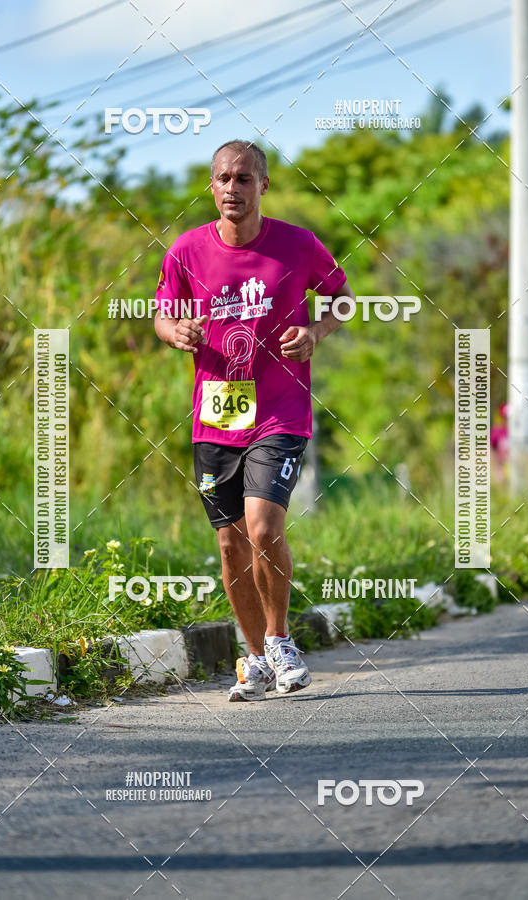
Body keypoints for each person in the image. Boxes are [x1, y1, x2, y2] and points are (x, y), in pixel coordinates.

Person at [154, 139, 355, 701]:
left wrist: (315, 332)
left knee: (265, 528)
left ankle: (280, 640)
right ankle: (256, 658)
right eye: (223, 178)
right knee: (230, 544)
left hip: (279, 413)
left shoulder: (297, 245)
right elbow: (163, 316)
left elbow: (342, 298)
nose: (232, 188)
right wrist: (178, 333)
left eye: (244, 178)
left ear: (263, 185)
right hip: (216, 417)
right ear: (211, 186)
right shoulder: (186, 251)